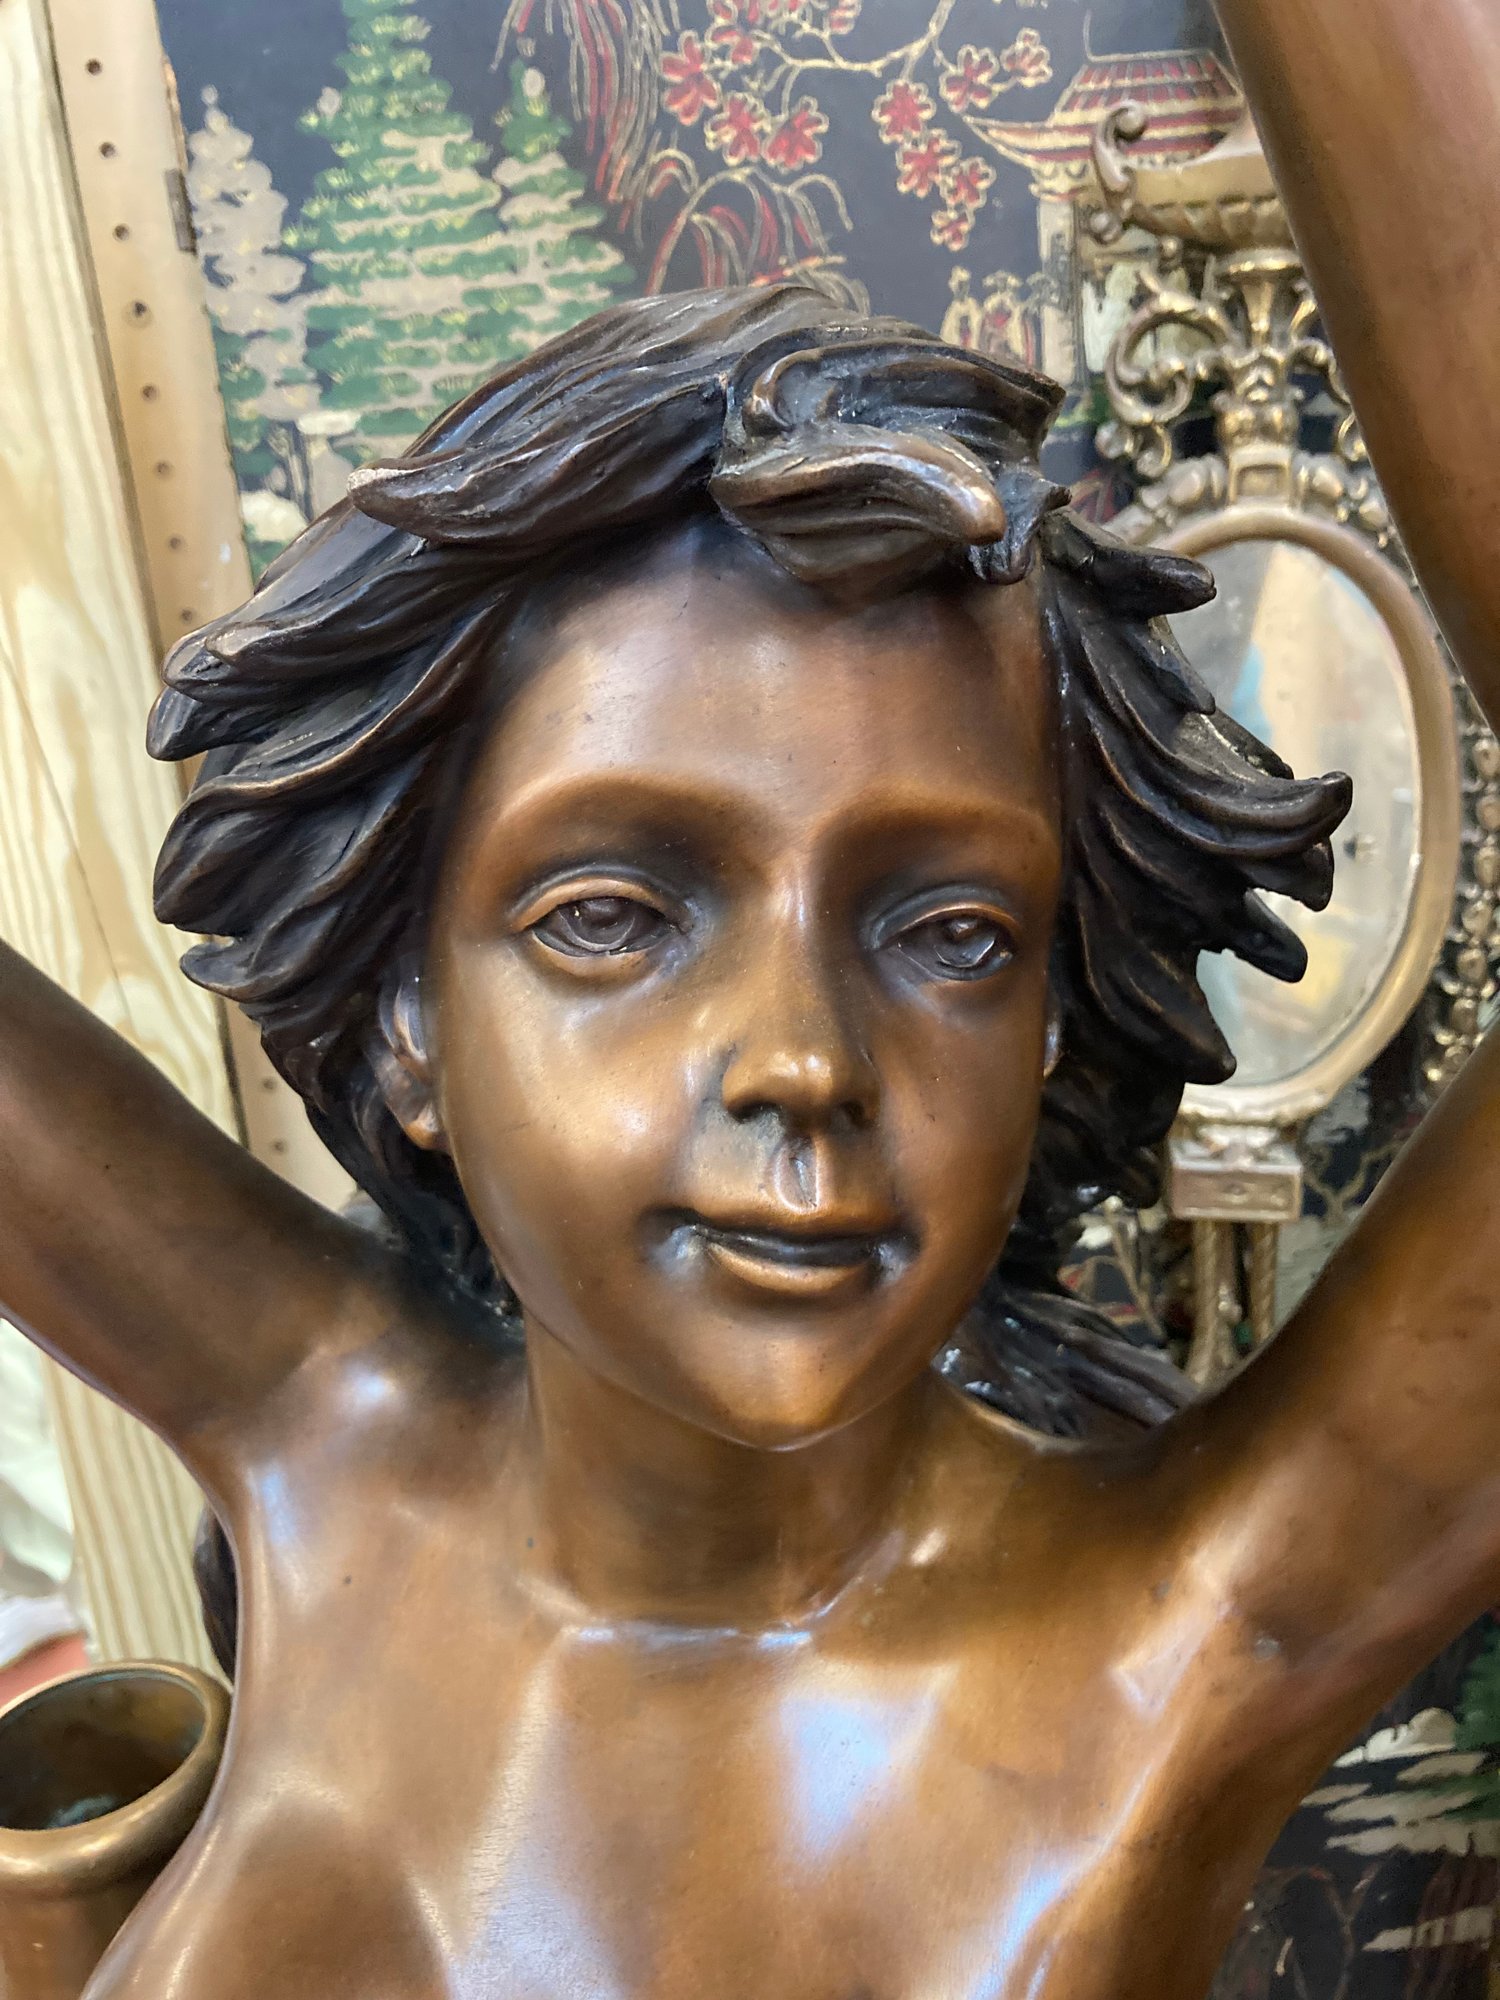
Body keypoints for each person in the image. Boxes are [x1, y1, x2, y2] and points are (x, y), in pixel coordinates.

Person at [2, 12, 1498, 1989]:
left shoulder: (1179, 1635)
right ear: (407, 1015)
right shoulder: (321, 1434)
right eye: (613, 916)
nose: (801, 1060)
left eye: (950, 934)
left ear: (1054, 1016)